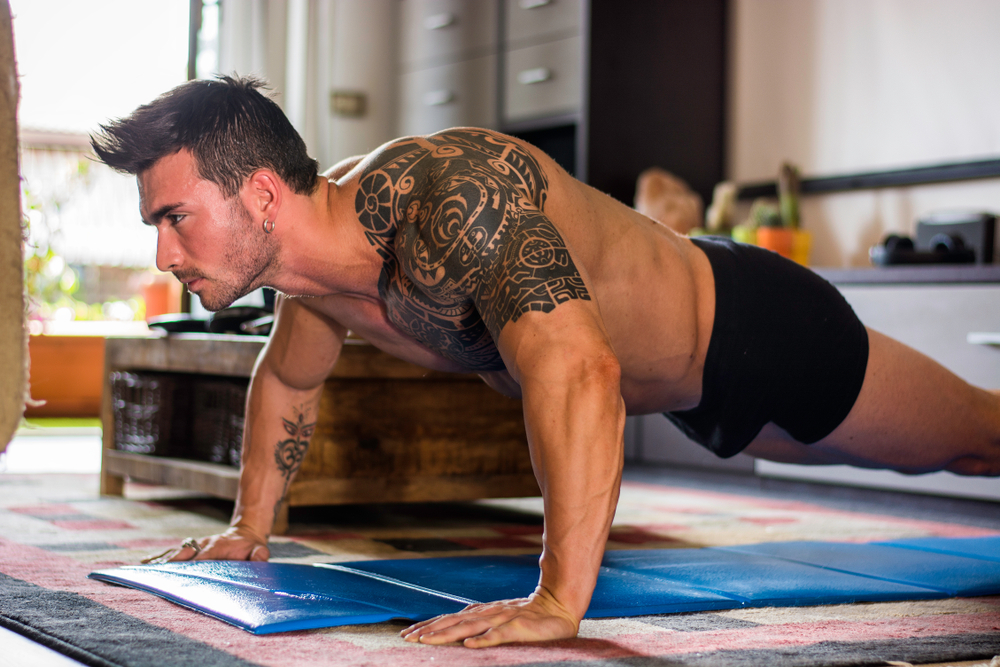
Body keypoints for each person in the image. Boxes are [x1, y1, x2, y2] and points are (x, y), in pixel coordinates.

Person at [91, 76, 1000, 649]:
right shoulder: (312, 282)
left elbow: (581, 371)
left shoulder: (451, 198)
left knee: (970, 442)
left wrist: (560, 598)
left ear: (258, 194)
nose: (165, 254)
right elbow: (288, 380)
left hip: (754, 327)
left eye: (174, 217)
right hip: (686, 398)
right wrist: (250, 525)